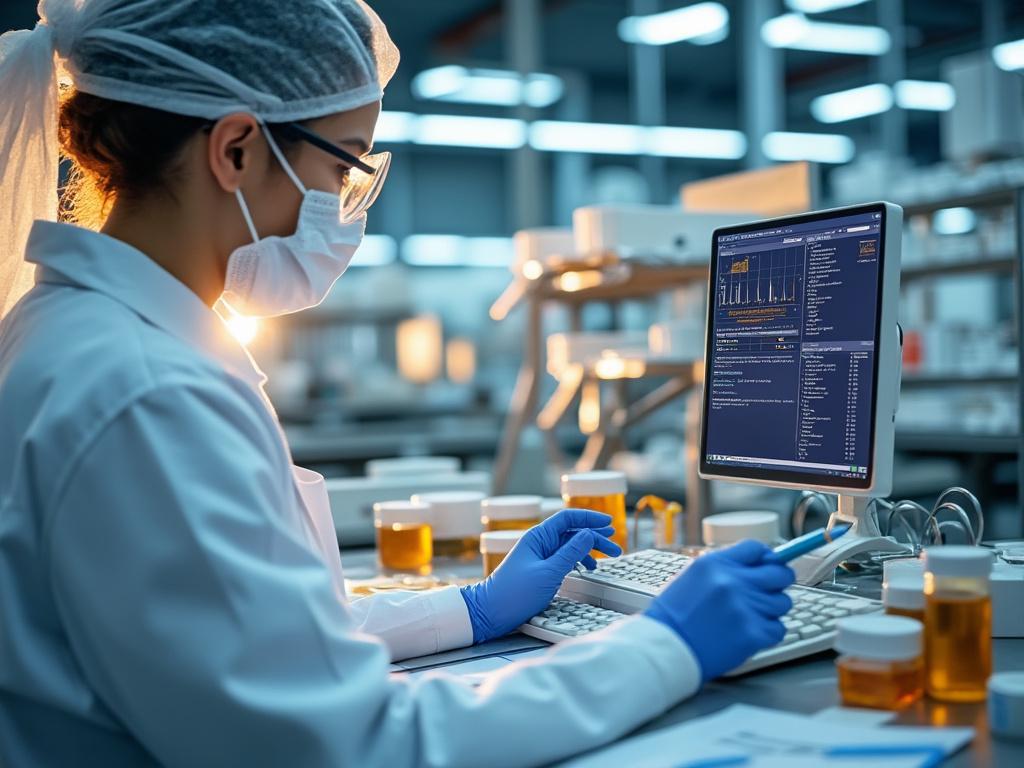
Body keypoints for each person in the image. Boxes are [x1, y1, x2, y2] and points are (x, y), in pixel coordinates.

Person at [0, 2, 795, 766]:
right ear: (236, 148)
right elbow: (345, 743)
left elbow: (246, 639)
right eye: (342, 165)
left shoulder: (89, 335)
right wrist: (663, 649)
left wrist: (472, 608)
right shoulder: (141, 393)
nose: (346, 210)